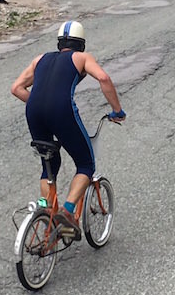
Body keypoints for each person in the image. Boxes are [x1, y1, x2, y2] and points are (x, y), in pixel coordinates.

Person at [10, 22, 125, 238]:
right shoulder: (81, 58)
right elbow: (103, 78)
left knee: (49, 164)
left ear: (59, 43)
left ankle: (48, 213)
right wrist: (117, 110)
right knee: (85, 164)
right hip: (61, 111)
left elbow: (16, 88)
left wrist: (40, 103)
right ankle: (68, 212)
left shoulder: (39, 59)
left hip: (33, 111)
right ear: (81, 44)